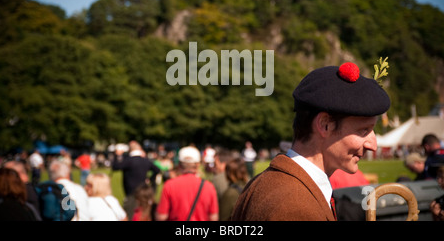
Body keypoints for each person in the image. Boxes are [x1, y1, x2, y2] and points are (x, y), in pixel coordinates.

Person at [231, 62, 390, 221]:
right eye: (364, 130)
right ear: (325, 125)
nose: (373, 145)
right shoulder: (294, 209)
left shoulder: (267, 184)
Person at [155, 146, 219, 221]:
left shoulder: (169, 185)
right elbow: (214, 217)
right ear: (198, 165)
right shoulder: (209, 186)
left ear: (179, 165)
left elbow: (161, 216)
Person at [112, 140, 160, 220]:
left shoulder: (128, 160)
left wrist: (117, 155)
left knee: (131, 214)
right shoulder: (145, 160)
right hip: (143, 190)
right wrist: (150, 179)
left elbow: (115, 167)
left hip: (131, 192)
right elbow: (157, 170)